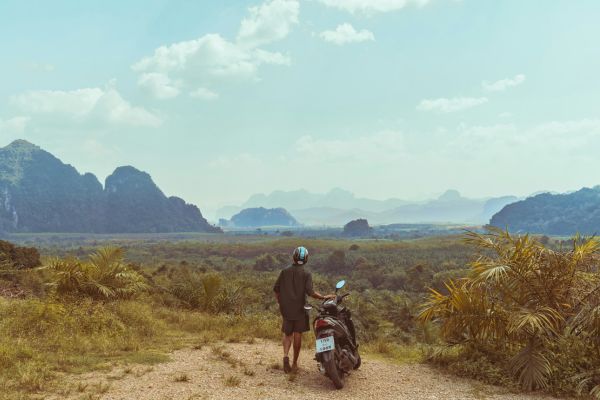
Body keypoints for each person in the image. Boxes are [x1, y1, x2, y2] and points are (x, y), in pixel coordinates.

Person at [273, 246, 335, 373]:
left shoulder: (284, 271)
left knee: (287, 334)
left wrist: (281, 302)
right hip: (300, 309)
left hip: (286, 308)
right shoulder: (306, 274)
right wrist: (323, 296)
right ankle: (295, 363)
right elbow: (310, 292)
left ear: (294, 257)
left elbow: (276, 289)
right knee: (297, 334)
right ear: (306, 259)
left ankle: (285, 356)